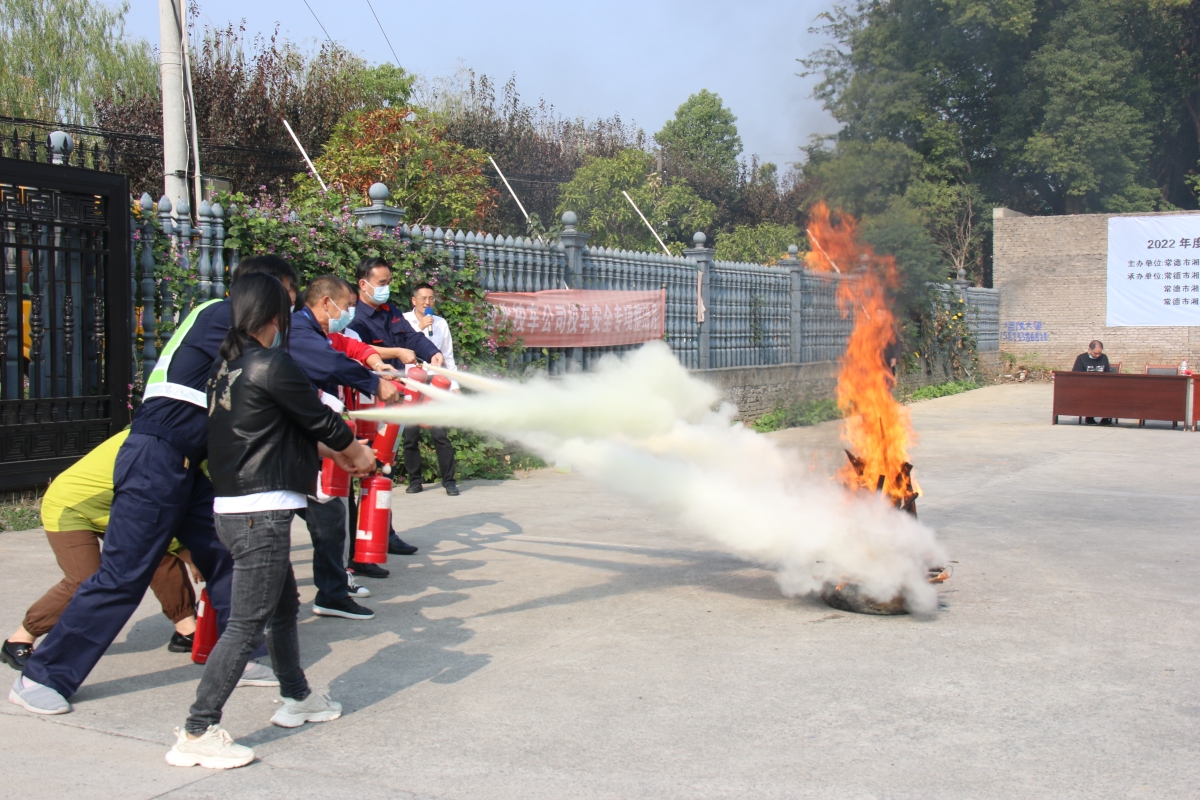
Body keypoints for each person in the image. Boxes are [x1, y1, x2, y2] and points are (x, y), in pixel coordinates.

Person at [8, 256, 308, 716]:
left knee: (227, 553)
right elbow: (279, 373)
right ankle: (42, 677)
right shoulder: (219, 316)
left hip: (182, 465)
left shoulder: (226, 332)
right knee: (124, 574)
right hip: (156, 460)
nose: (284, 313)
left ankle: (243, 657)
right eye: (283, 298)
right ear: (254, 294)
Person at [166, 272, 375, 770]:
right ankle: (198, 729)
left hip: (240, 509)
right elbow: (318, 419)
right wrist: (353, 450)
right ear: (273, 316)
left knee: (282, 606)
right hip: (260, 512)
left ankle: (298, 697)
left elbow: (280, 430)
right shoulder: (271, 363)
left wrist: (339, 453)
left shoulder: (228, 370)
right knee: (245, 625)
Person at [1, 429, 197, 671]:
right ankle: (19, 639)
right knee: (86, 579)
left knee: (159, 554)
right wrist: (186, 551)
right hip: (71, 506)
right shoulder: (158, 444)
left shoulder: (177, 434)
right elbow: (150, 509)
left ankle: (186, 629)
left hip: (114, 507)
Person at [287, 274, 404, 619]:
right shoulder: (299, 330)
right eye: (348, 306)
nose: (350, 313)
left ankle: (334, 587)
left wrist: (375, 364)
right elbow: (330, 364)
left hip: (304, 437)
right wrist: (373, 383)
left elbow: (346, 348)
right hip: (295, 439)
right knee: (325, 510)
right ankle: (332, 591)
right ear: (327, 302)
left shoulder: (317, 332)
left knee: (327, 511)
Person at [347, 257, 445, 565]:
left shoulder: (389, 312)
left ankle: (382, 533)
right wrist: (395, 353)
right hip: (367, 400)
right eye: (382, 283)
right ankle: (359, 541)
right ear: (363, 284)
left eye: (389, 282)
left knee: (382, 469)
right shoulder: (352, 315)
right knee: (367, 469)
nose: (387, 289)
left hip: (394, 399)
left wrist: (433, 352)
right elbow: (357, 349)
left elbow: (411, 338)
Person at [402, 282, 460, 497]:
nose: (428, 303)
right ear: (414, 300)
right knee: (410, 434)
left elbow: (448, 356)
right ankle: (415, 480)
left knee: (439, 433)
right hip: (412, 381)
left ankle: (449, 481)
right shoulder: (404, 321)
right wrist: (419, 328)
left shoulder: (440, 323)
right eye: (424, 298)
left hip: (435, 383)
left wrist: (455, 387)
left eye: (432, 299)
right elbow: (404, 344)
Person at [1072, 340, 1113, 425]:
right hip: (1086, 386)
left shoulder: (1104, 357)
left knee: (1110, 394)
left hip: (1101, 386)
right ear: (1089, 349)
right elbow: (1075, 375)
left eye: (1099, 353)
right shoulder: (1081, 358)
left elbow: (1108, 373)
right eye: (1095, 353)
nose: (1097, 355)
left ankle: (1105, 418)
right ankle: (1089, 417)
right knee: (1091, 394)